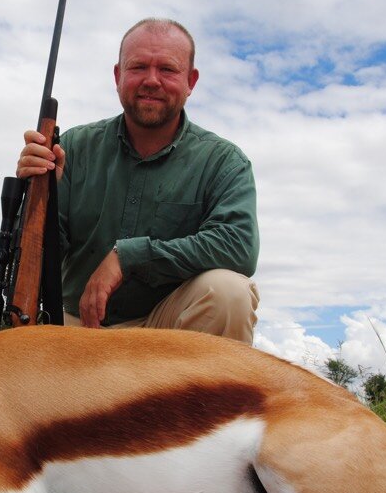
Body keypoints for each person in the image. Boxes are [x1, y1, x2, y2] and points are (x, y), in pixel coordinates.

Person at [16, 18, 260, 344]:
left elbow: (239, 247)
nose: (152, 80)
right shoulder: (71, 148)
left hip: (167, 335)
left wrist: (128, 257)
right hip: (76, 328)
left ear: (191, 81)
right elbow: (34, 257)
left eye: (168, 70)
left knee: (230, 293)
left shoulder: (224, 161)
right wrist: (36, 193)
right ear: (118, 76)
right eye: (138, 67)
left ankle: (195, 395)